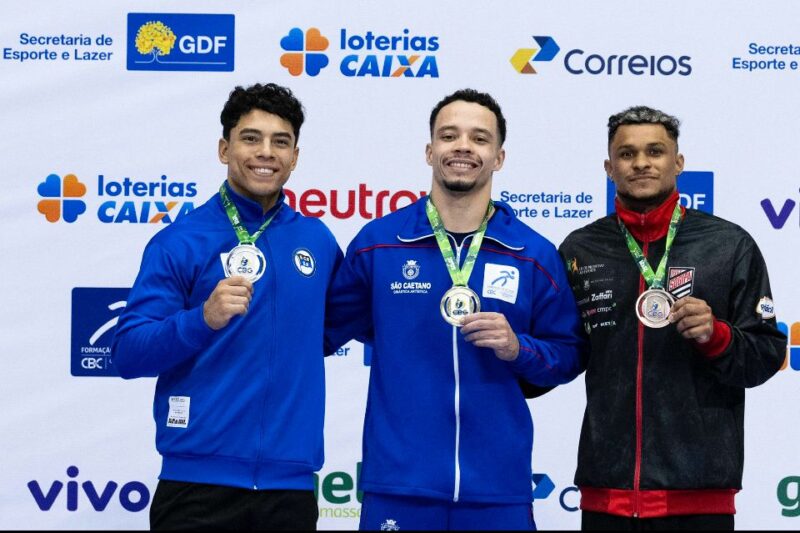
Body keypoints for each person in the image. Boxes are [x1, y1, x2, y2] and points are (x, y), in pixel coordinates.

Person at [324, 89, 586, 530]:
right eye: (449, 135)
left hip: (498, 491)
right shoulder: (380, 244)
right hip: (400, 486)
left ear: (499, 157)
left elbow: (569, 354)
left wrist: (517, 348)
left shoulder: (532, 253)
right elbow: (321, 333)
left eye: (479, 138)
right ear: (430, 151)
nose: (463, 146)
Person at [111, 83, 342, 530]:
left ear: (295, 156)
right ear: (224, 148)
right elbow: (127, 352)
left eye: (281, 141)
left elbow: (337, 325)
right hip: (197, 489)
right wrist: (202, 320)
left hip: (289, 492)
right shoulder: (180, 241)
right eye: (250, 138)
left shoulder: (317, 241)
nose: (265, 153)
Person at [558, 105, 786, 531]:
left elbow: (767, 354)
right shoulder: (580, 249)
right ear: (609, 167)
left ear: (677, 162)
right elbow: (561, 353)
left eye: (655, 151)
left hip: (699, 497)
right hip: (606, 497)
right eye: (626, 154)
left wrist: (716, 336)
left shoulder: (728, 245)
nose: (641, 163)